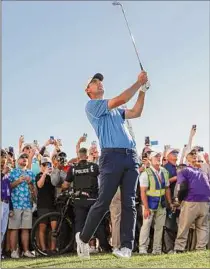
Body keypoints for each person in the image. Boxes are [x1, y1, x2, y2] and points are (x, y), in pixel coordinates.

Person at [75, 71, 149, 259]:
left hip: (130, 156)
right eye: (94, 82)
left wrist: (143, 90)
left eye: (100, 81)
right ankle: (83, 239)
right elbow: (120, 99)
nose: (99, 84)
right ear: (88, 90)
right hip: (111, 157)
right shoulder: (92, 106)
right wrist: (137, 82)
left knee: (129, 203)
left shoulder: (116, 109)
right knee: (104, 202)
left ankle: (126, 247)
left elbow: (136, 112)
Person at [62, 147, 111, 253]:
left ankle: (81, 248)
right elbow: (103, 178)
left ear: (78, 156)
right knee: (98, 223)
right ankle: (104, 247)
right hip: (93, 199)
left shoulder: (73, 169)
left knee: (80, 224)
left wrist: (62, 187)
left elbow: (65, 185)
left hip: (79, 200)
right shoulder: (94, 167)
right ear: (87, 155)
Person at [174, 149, 210, 253]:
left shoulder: (184, 171)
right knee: (202, 226)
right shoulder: (203, 172)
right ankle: (201, 249)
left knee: (184, 225)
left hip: (191, 201)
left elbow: (183, 187)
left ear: (187, 159)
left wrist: (180, 201)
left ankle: (180, 248)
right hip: (205, 202)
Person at [138, 151, 173, 255]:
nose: (158, 158)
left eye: (159, 156)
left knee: (159, 227)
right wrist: (146, 208)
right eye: (155, 157)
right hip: (149, 204)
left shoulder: (165, 172)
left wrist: (170, 203)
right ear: (150, 160)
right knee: (146, 226)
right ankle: (142, 248)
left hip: (161, 204)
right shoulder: (145, 173)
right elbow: (143, 192)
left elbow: (167, 189)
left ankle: (157, 249)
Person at [8, 153, 36, 258]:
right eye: (22, 157)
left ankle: (26, 251)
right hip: (15, 204)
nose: (24, 159)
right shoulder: (12, 172)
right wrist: (18, 181)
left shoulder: (31, 173)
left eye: (26, 158)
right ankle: (13, 251)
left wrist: (31, 184)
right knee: (14, 228)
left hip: (27, 205)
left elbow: (34, 192)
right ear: (18, 160)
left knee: (26, 229)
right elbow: (8, 187)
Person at [35, 157, 57, 255]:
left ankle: (52, 249)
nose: (47, 166)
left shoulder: (53, 175)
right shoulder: (38, 175)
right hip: (42, 205)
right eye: (44, 165)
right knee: (42, 228)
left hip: (53, 205)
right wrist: (44, 173)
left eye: (48, 164)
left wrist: (52, 172)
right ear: (41, 166)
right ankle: (43, 250)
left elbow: (58, 183)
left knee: (54, 229)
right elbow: (39, 185)